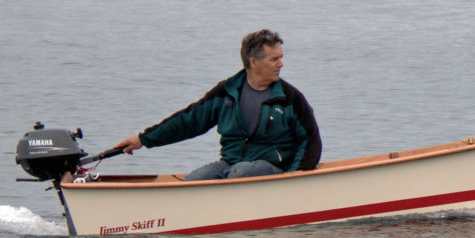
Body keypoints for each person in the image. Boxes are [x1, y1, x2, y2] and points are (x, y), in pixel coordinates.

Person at [114, 29, 322, 180]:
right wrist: (143, 139)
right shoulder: (226, 92)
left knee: (239, 174)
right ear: (253, 62)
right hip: (230, 164)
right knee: (194, 180)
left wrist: (295, 176)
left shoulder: (290, 98)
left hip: (274, 170)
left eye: (281, 58)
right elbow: (188, 121)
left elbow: (311, 140)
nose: (281, 64)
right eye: (274, 59)